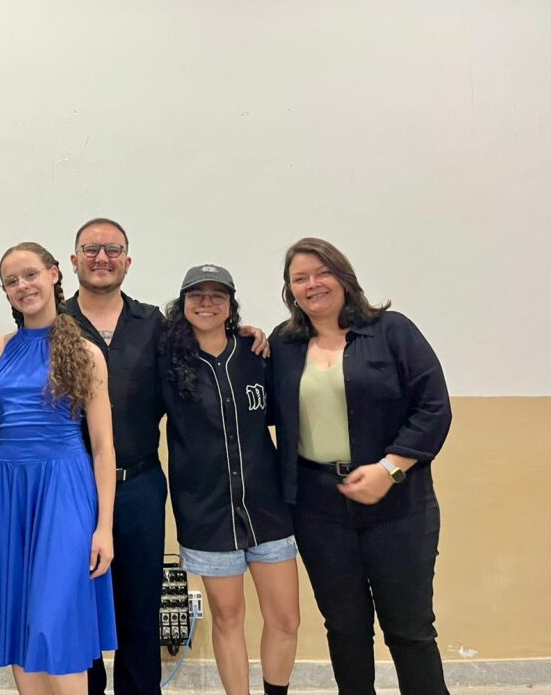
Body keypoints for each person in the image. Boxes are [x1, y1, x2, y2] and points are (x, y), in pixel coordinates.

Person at [63, 217, 268, 695]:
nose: (102, 258)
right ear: (73, 261)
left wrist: (246, 334)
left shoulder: (155, 324)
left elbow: (209, 338)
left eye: (113, 250)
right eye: (91, 249)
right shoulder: (55, 323)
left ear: (128, 262)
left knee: (140, 609)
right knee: (79, 609)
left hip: (139, 486)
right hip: (71, 488)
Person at [268, 237, 452, 694]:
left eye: (321, 273)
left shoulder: (392, 331)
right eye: (300, 278)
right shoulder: (283, 344)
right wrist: (243, 336)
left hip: (399, 504)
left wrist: (390, 468)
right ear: (290, 291)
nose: (312, 284)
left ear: (344, 277)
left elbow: (433, 408)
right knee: (345, 628)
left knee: (409, 628)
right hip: (317, 508)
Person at [0, 242, 116, 695]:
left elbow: (103, 448)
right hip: (9, 492)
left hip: (65, 490)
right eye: (11, 281)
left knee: (56, 626)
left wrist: (104, 528)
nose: (23, 286)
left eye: (30, 274)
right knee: (20, 626)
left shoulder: (87, 353)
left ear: (54, 274)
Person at [159, 264, 299, 695]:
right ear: (183, 303)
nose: (206, 303)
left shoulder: (256, 354)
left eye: (217, 295)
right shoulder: (167, 361)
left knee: (286, 619)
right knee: (228, 617)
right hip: (208, 514)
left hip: (267, 509)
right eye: (196, 295)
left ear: (230, 304)